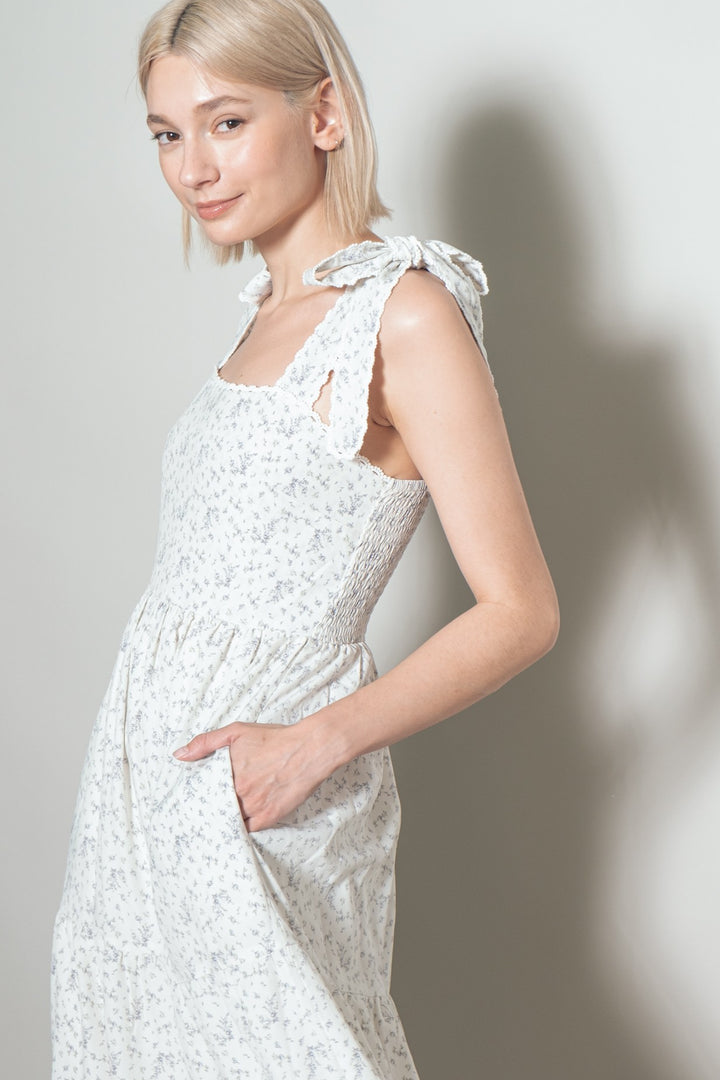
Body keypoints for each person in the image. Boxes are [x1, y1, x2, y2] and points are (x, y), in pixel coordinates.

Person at [50, 0, 559, 1076]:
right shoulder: (264, 314)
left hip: (266, 804)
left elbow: (522, 612)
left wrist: (312, 748)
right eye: (167, 133)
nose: (193, 167)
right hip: (149, 797)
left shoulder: (405, 313)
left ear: (323, 113)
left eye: (227, 122)